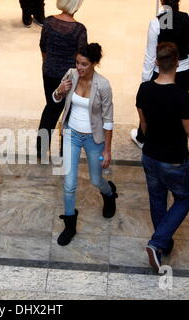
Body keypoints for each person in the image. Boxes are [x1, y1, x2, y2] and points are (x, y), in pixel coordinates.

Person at [136, 42, 189, 272]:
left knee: (157, 199)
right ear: (177, 63)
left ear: (157, 62)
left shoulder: (144, 89)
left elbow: (144, 123)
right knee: (185, 198)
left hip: (150, 155)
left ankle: (162, 245)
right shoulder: (181, 96)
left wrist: (151, 144)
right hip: (174, 160)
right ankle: (157, 242)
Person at [54, 43, 118, 246]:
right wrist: (59, 91)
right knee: (69, 183)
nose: (78, 68)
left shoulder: (103, 85)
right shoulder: (71, 75)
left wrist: (107, 150)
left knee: (96, 179)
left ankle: (109, 194)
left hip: (94, 138)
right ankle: (70, 225)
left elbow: (108, 120)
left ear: (94, 64)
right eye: (77, 63)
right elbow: (56, 99)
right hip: (71, 134)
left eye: (84, 64)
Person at [131, 0, 189, 149]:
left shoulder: (156, 23)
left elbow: (151, 55)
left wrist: (145, 80)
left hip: (161, 72)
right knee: (178, 104)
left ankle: (143, 138)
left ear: (161, 1)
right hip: (184, 71)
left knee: (152, 106)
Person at [37, 0, 87, 159]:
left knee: (51, 107)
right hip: (69, 77)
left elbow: (42, 46)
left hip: (49, 72)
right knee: (68, 113)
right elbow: (82, 58)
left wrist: (47, 62)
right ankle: (65, 151)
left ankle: (41, 148)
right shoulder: (79, 30)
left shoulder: (49, 22)